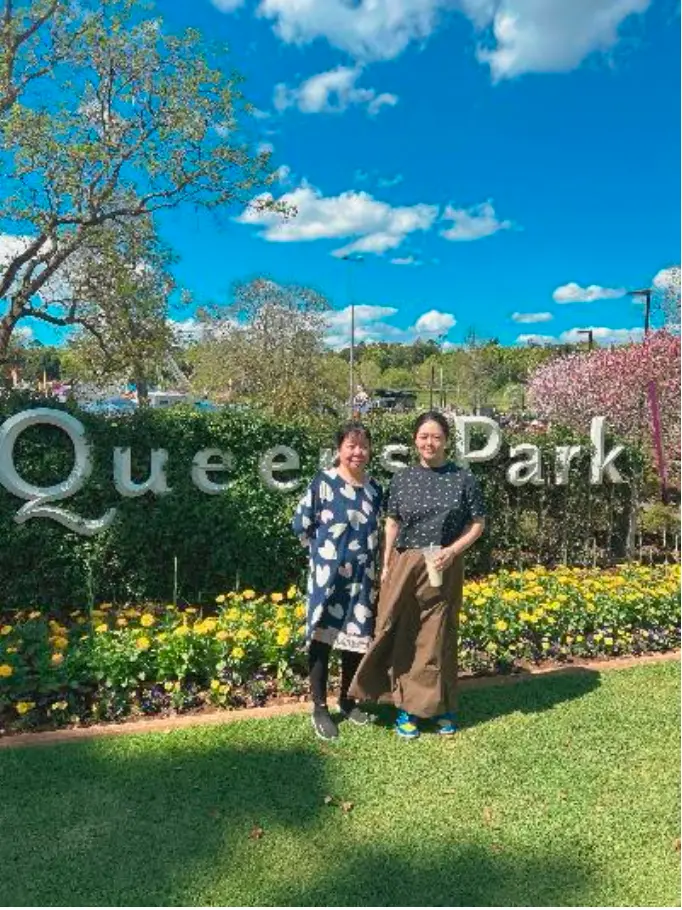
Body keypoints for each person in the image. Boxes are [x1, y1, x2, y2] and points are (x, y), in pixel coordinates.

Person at [349, 411, 486, 739]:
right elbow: (392, 523)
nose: (430, 442)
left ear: (446, 441)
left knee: (438, 635)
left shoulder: (463, 478)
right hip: (405, 564)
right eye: (424, 436)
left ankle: (442, 707)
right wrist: (386, 565)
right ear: (415, 440)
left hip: (443, 564)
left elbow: (477, 524)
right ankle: (405, 707)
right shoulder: (403, 479)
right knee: (403, 632)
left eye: (436, 437)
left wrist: (452, 551)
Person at [292, 421, 383, 741]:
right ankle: (319, 707)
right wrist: (322, 558)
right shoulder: (324, 483)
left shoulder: (375, 489)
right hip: (329, 580)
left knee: (355, 641)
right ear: (339, 450)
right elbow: (300, 524)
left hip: (362, 579)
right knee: (322, 640)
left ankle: (347, 700)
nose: (357, 452)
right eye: (351, 446)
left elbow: (375, 532)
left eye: (363, 446)